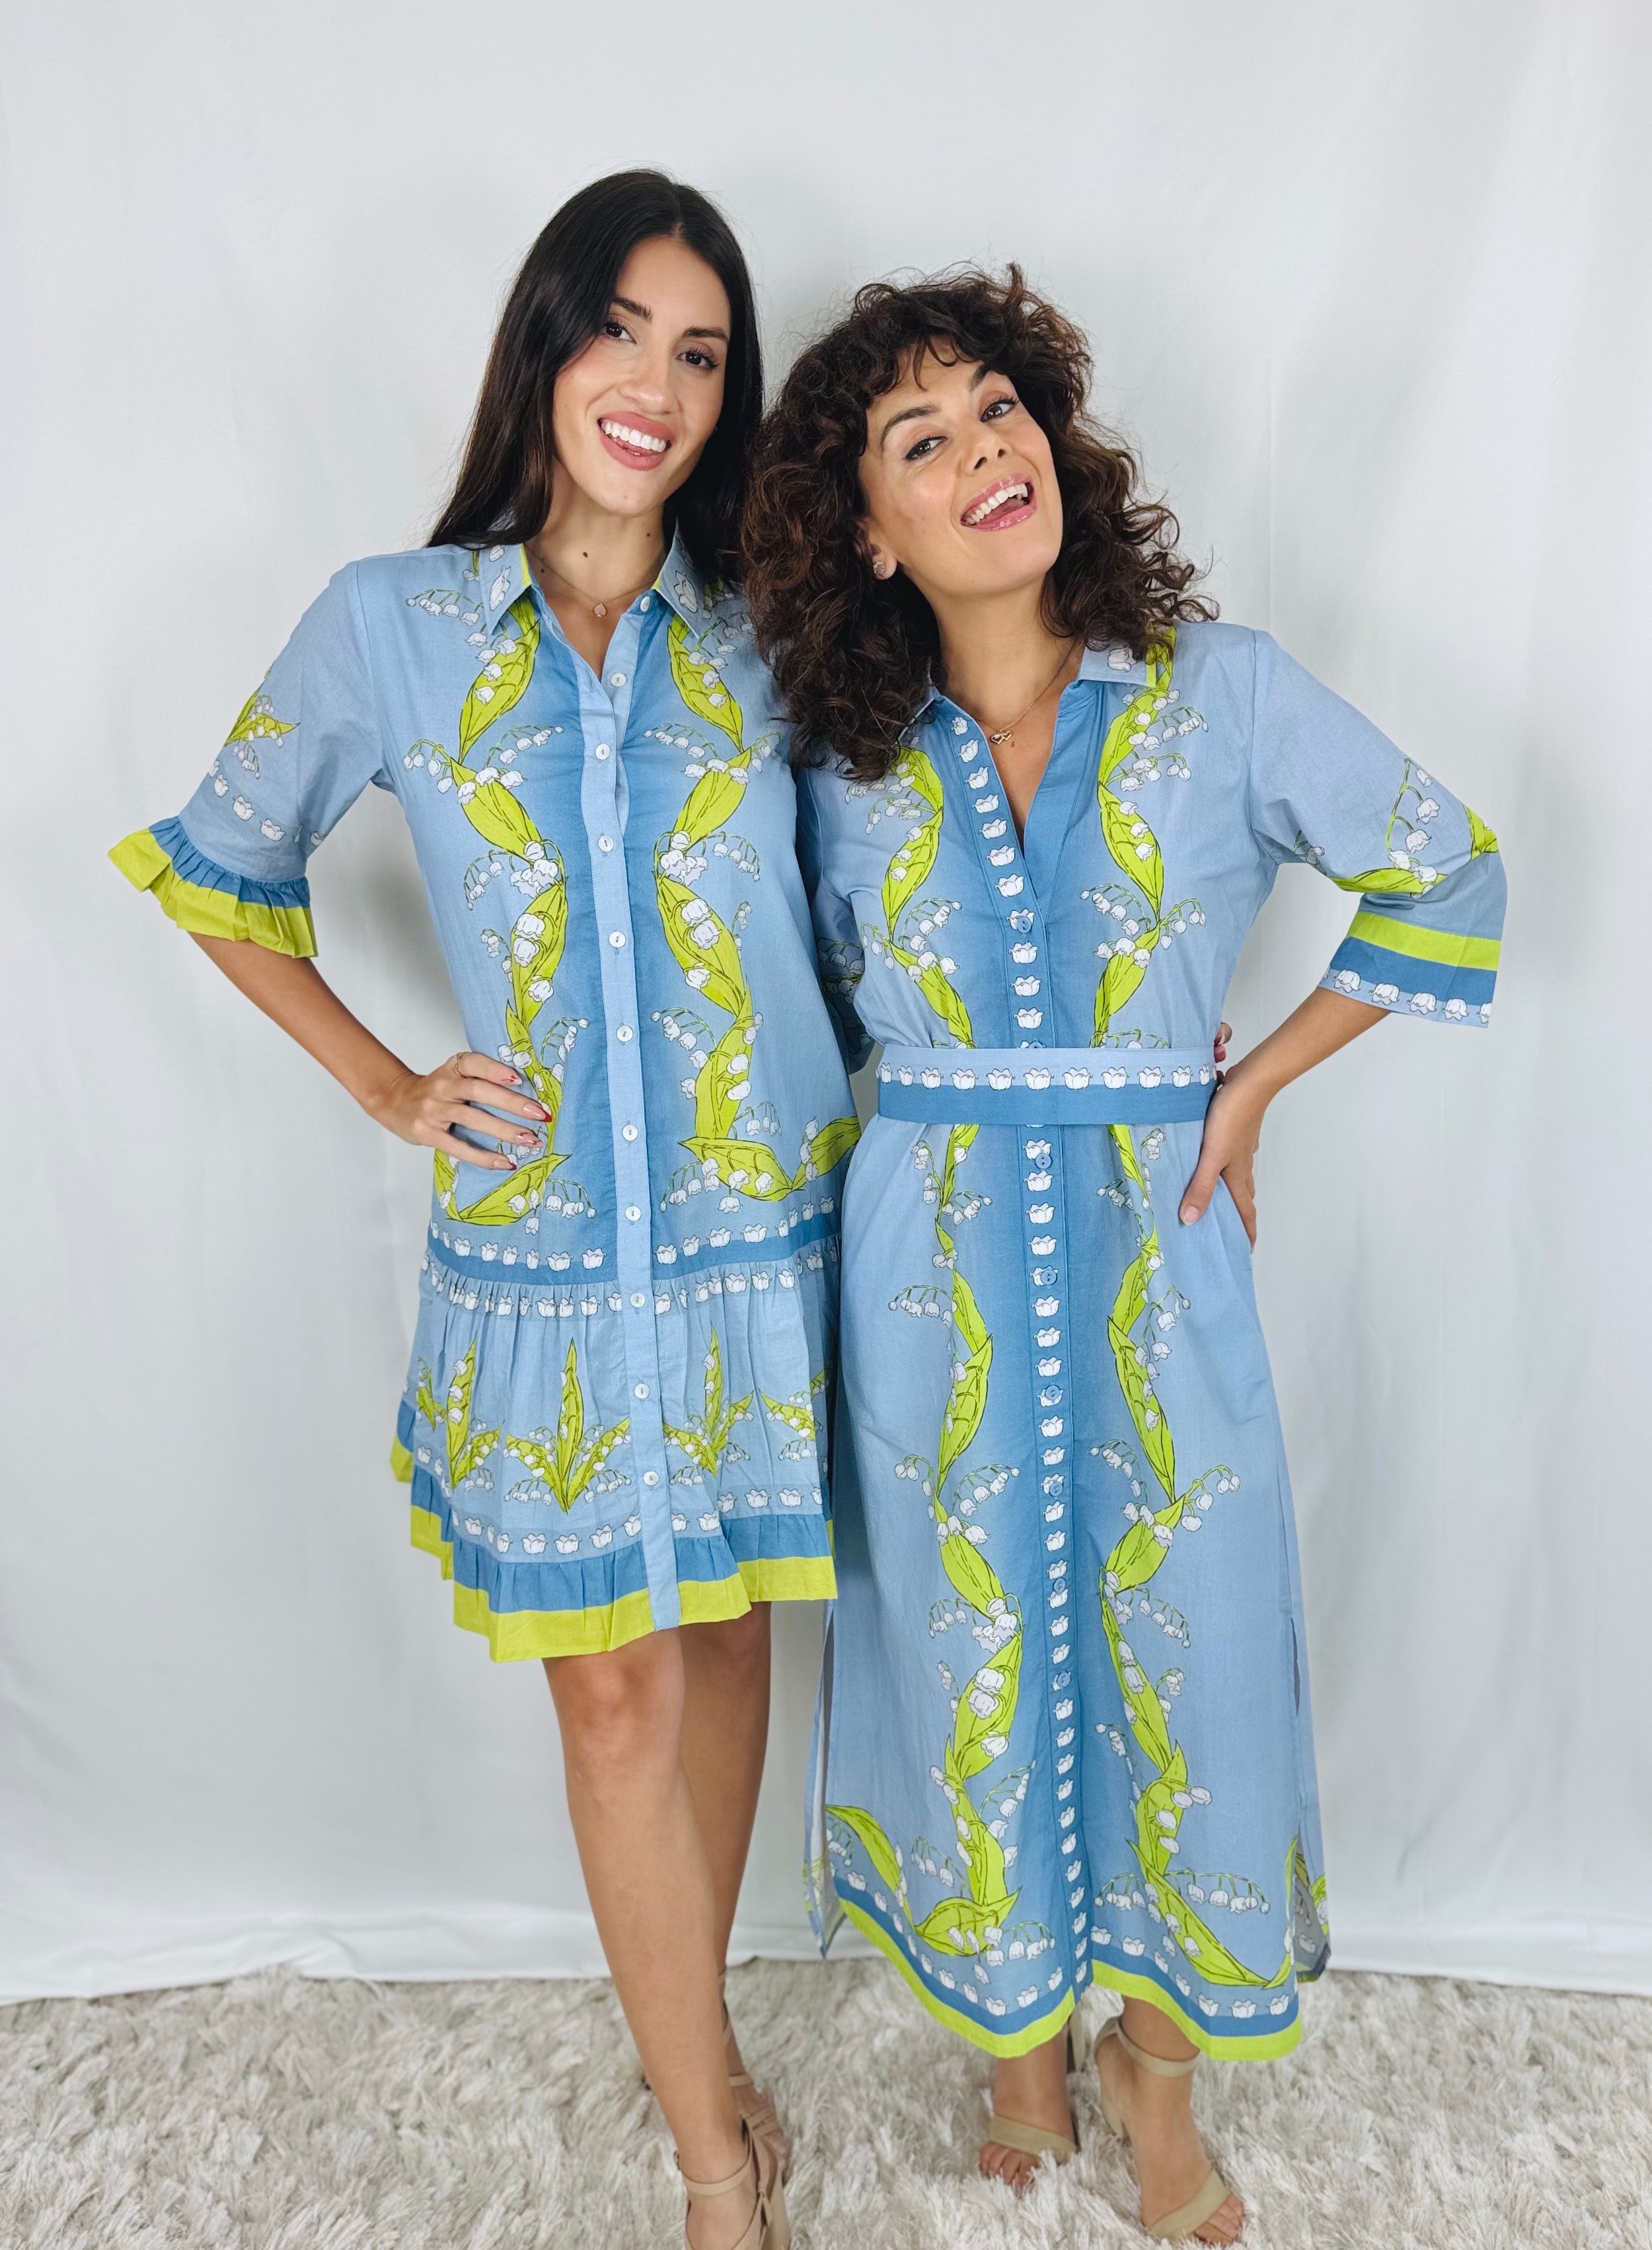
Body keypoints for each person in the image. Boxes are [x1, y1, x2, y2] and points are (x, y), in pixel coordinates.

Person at [111, 170, 859, 2250]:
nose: (655, 383)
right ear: (543, 341)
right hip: (540, 1267)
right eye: (618, 327)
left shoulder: (769, 636)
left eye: (699, 352)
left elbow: (867, 911)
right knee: (609, 1688)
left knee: (726, 1639)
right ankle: (710, 2161)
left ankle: (698, 2034)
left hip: (754, 1244)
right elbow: (217, 865)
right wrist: (385, 1080)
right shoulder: (395, 624)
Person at [743, 268, 1505, 2244]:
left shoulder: (1218, 693)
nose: (984, 452)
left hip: (1157, 1260)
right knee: (963, 1651)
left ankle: (1154, 2070)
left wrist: (1247, 1087)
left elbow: (1449, 863)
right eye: (922, 442)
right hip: (922, 1280)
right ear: (865, 528)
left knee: (1196, 1648)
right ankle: (1015, 2040)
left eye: (1001, 410)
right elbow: (771, 1001)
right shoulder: (832, 757)